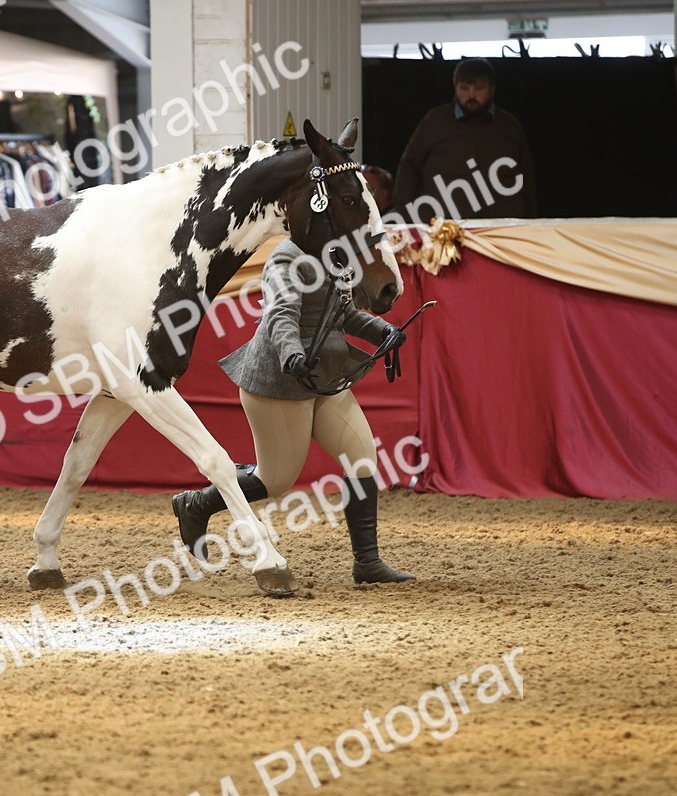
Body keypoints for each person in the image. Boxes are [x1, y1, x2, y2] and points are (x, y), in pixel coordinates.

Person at [171, 239, 415, 584]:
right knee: (275, 480)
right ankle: (196, 504)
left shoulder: (334, 252)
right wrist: (291, 355)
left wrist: (383, 331)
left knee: (361, 456)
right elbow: (280, 314)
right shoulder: (288, 256)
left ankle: (367, 563)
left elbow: (342, 315)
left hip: (324, 377)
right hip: (281, 379)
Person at [393, 58, 535, 220]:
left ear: (492, 89)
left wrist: (529, 221)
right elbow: (409, 168)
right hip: (444, 227)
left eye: (479, 88)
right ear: (455, 88)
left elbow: (527, 177)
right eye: (464, 88)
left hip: (501, 226)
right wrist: (406, 219)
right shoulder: (435, 122)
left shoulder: (509, 126)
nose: (472, 95)